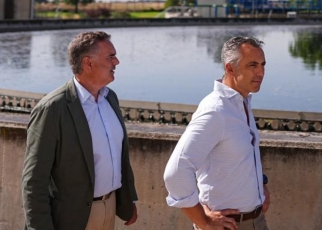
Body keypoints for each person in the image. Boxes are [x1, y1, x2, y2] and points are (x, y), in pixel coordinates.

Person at [22, 31, 138, 230]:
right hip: (71, 217)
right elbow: (34, 180)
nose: (116, 62)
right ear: (88, 63)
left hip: (108, 208)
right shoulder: (52, 109)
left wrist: (127, 202)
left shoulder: (110, 98)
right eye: (110, 57)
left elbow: (118, 157)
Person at [164, 36, 271, 230]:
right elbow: (176, 172)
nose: (261, 72)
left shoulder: (241, 102)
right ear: (230, 68)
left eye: (263, 64)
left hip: (255, 221)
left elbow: (238, 156)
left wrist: (260, 184)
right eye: (252, 65)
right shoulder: (216, 110)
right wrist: (203, 220)